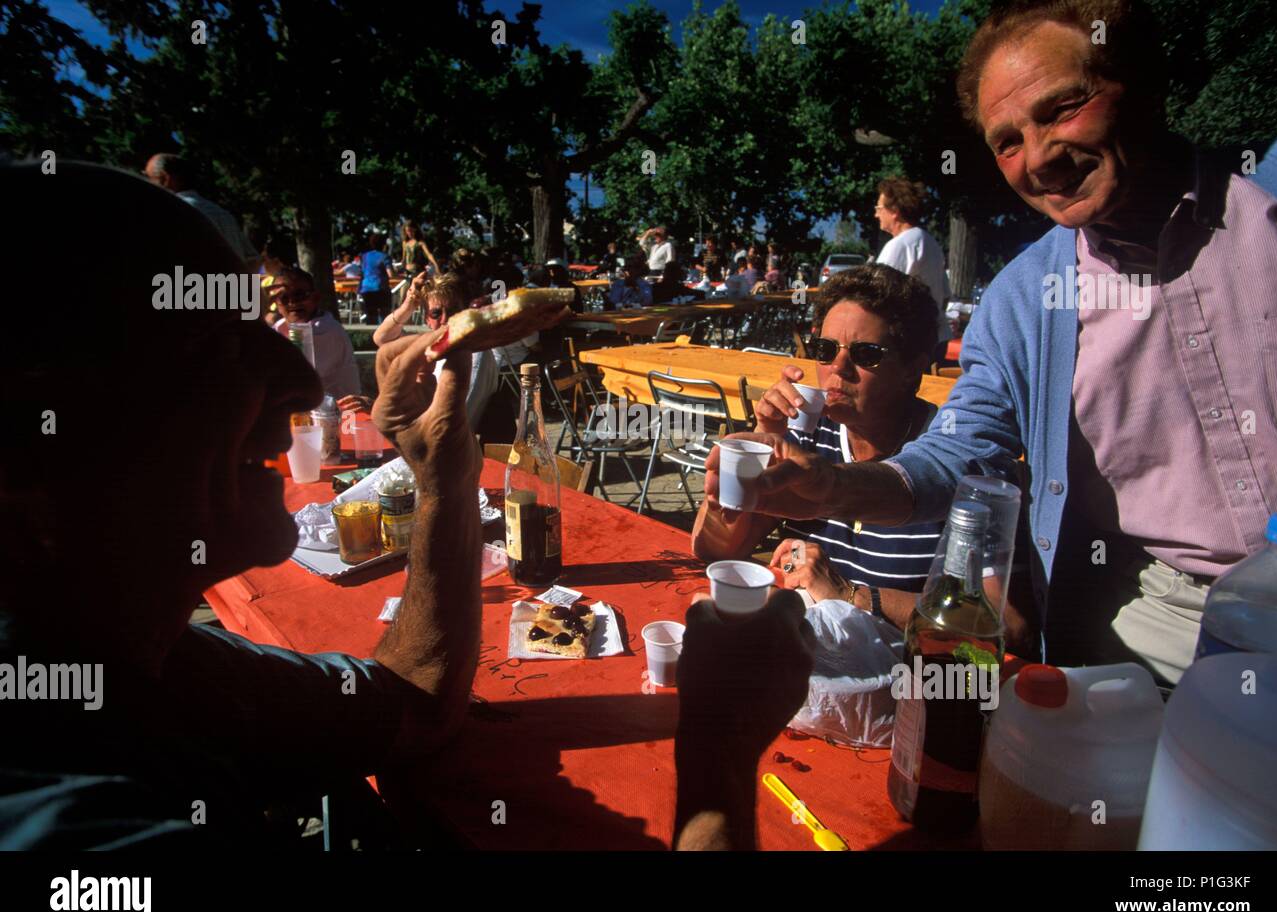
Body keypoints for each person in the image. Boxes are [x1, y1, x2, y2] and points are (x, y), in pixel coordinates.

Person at [0, 161, 813, 849]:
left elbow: (408, 707)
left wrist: (446, 477)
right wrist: (716, 761)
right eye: (216, 346)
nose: (299, 383)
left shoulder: (137, 660)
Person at [702, 0, 1277, 687]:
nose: (1040, 158)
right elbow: (959, 450)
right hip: (1160, 622)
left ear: (1140, 82)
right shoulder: (1023, 300)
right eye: (1007, 142)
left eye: (1061, 109)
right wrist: (832, 486)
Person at [692, 266, 952, 631]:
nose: (838, 367)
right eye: (825, 349)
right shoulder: (808, 436)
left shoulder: (949, 455)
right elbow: (717, 551)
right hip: (806, 654)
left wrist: (850, 595)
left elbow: (1005, 625)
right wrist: (762, 441)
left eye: (866, 354)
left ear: (913, 369)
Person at [362, 266, 499, 431]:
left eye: (453, 310)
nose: (445, 319)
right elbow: (382, 339)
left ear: (465, 311)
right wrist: (409, 305)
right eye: (435, 314)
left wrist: (385, 413)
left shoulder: (475, 354)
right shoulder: (432, 345)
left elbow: (447, 422)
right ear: (427, 319)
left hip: (447, 450)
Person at [873, 177, 951, 354]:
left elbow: (876, 297)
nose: (876, 214)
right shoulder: (931, 242)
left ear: (894, 211)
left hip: (909, 345)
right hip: (935, 338)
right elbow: (945, 296)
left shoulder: (899, 245)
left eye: (879, 208)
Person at [143, 153, 259, 270]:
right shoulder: (223, 214)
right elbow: (253, 260)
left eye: (148, 178)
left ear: (165, 179)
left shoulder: (170, 215)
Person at [270, 266, 362, 400]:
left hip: (339, 412)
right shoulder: (281, 326)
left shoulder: (324, 329)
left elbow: (294, 381)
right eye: (284, 298)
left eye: (300, 295)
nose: (292, 302)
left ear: (316, 298)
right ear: (276, 304)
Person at [358, 232, 392, 326]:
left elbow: (362, 272)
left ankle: (370, 337)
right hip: (381, 288)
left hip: (366, 288)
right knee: (385, 314)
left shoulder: (364, 256)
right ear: (383, 244)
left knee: (370, 315)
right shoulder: (385, 257)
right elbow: (390, 274)